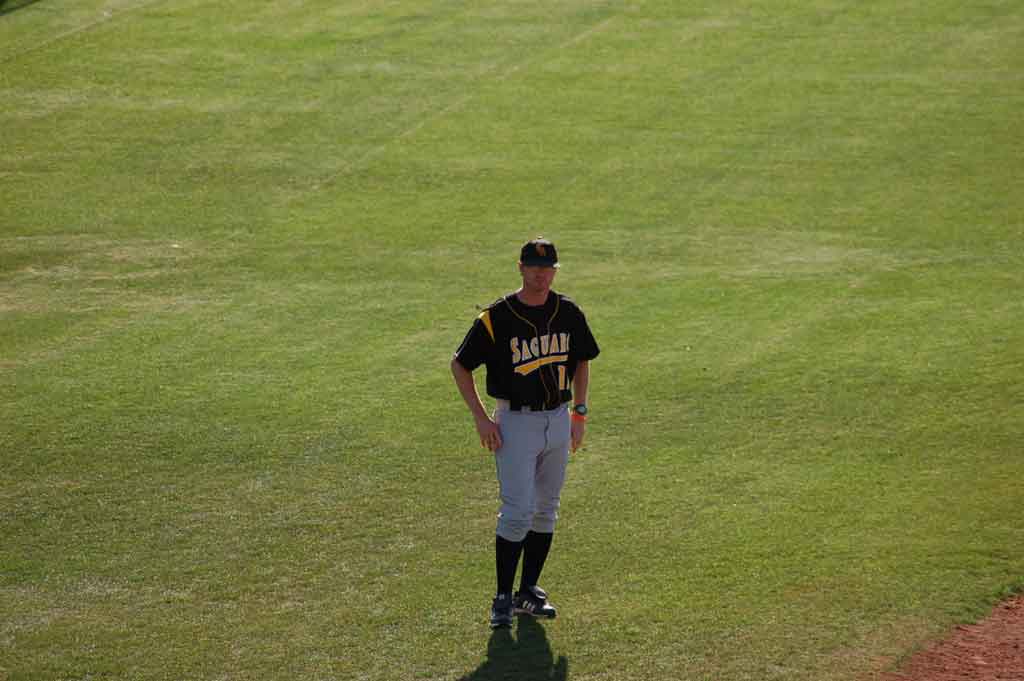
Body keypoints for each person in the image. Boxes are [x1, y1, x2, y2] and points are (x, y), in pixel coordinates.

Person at [450, 237, 600, 628]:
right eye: (534, 267)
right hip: (515, 422)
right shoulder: (496, 317)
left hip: (559, 418)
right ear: (520, 268)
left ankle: (527, 592)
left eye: (548, 268)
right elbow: (460, 364)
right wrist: (481, 419)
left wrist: (580, 414)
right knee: (517, 511)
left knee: (546, 509)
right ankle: (502, 598)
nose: (542, 274)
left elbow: (582, 361)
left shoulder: (568, 312)